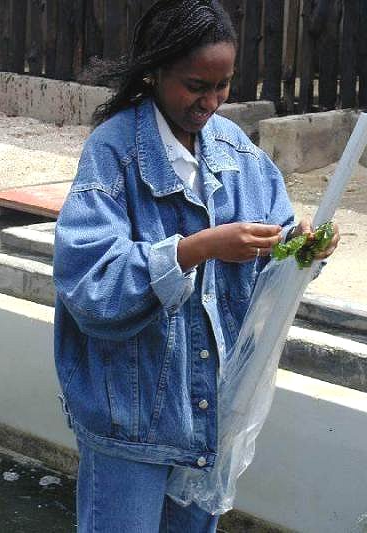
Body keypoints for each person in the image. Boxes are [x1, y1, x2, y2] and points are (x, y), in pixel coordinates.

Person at [53, 1, 340, 531]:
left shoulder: (236, 153)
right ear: (156, 71)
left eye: (223, 86)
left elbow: (272, 258)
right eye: (194, 86)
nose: (210, 102)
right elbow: (89, 285)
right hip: (129, 423)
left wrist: (302, 251)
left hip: (205, 415)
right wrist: (194, 249)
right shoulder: (113, 154)